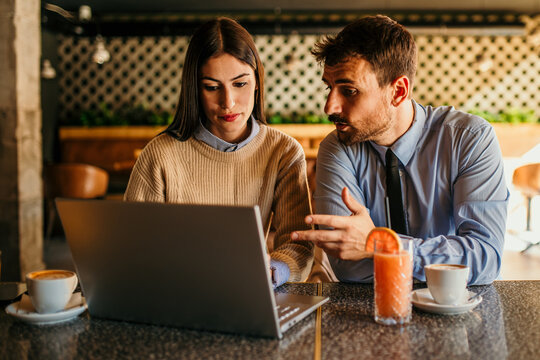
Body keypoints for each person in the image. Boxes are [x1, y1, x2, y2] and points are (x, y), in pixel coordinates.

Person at [291, 15, 509, 285]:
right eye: (329, 87)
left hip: (454, 309)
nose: (329, 107)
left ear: (398, 91)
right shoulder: (337, 148)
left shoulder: (469, 139)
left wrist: (379, 245)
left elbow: (485, 258)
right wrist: (442, 262)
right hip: (370, 314)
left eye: (348, 91)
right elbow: (349, 265)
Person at [124, 17, 314, 287]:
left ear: (258, 81)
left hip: (252, 289)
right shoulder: (160, 154)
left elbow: (299, 246)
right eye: (212, 87)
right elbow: (131, 244)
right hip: (177, 289)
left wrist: (272, 271)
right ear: (195, 89)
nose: (228, 102)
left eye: (240, 84)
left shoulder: (283, 152)